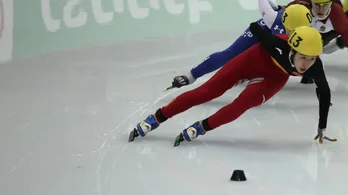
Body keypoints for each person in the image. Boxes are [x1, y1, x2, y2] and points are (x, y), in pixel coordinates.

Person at [128, 25, 337, 146]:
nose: (305, 65)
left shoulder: (314, 66)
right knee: (206, 92)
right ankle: (156, 118)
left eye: (311, 60)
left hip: (275, 77)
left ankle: (201, 127)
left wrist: (322, 125)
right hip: (253, 60)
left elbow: (324, 92)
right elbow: (256, 28)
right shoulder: (277, 45)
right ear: (292, 49)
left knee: (242, 104)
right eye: (303, 58)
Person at [167, 1, 314, 90]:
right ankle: (191, 75)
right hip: (260, 32)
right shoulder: (272, 17)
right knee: (230, 54)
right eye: (288, 30)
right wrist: (276, 7)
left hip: (273, 41)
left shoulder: (310, 34)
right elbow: (262, 0)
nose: (291, 34)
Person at [266, 0, 348, 94]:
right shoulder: (302, 2)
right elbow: (284, 11)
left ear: (332, 1)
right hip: (306, 31)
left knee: (316, 58)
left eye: (325, 4)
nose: (321, 9)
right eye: (316, 4)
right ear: (310, 0)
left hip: (326, 35)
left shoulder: (337, 15)